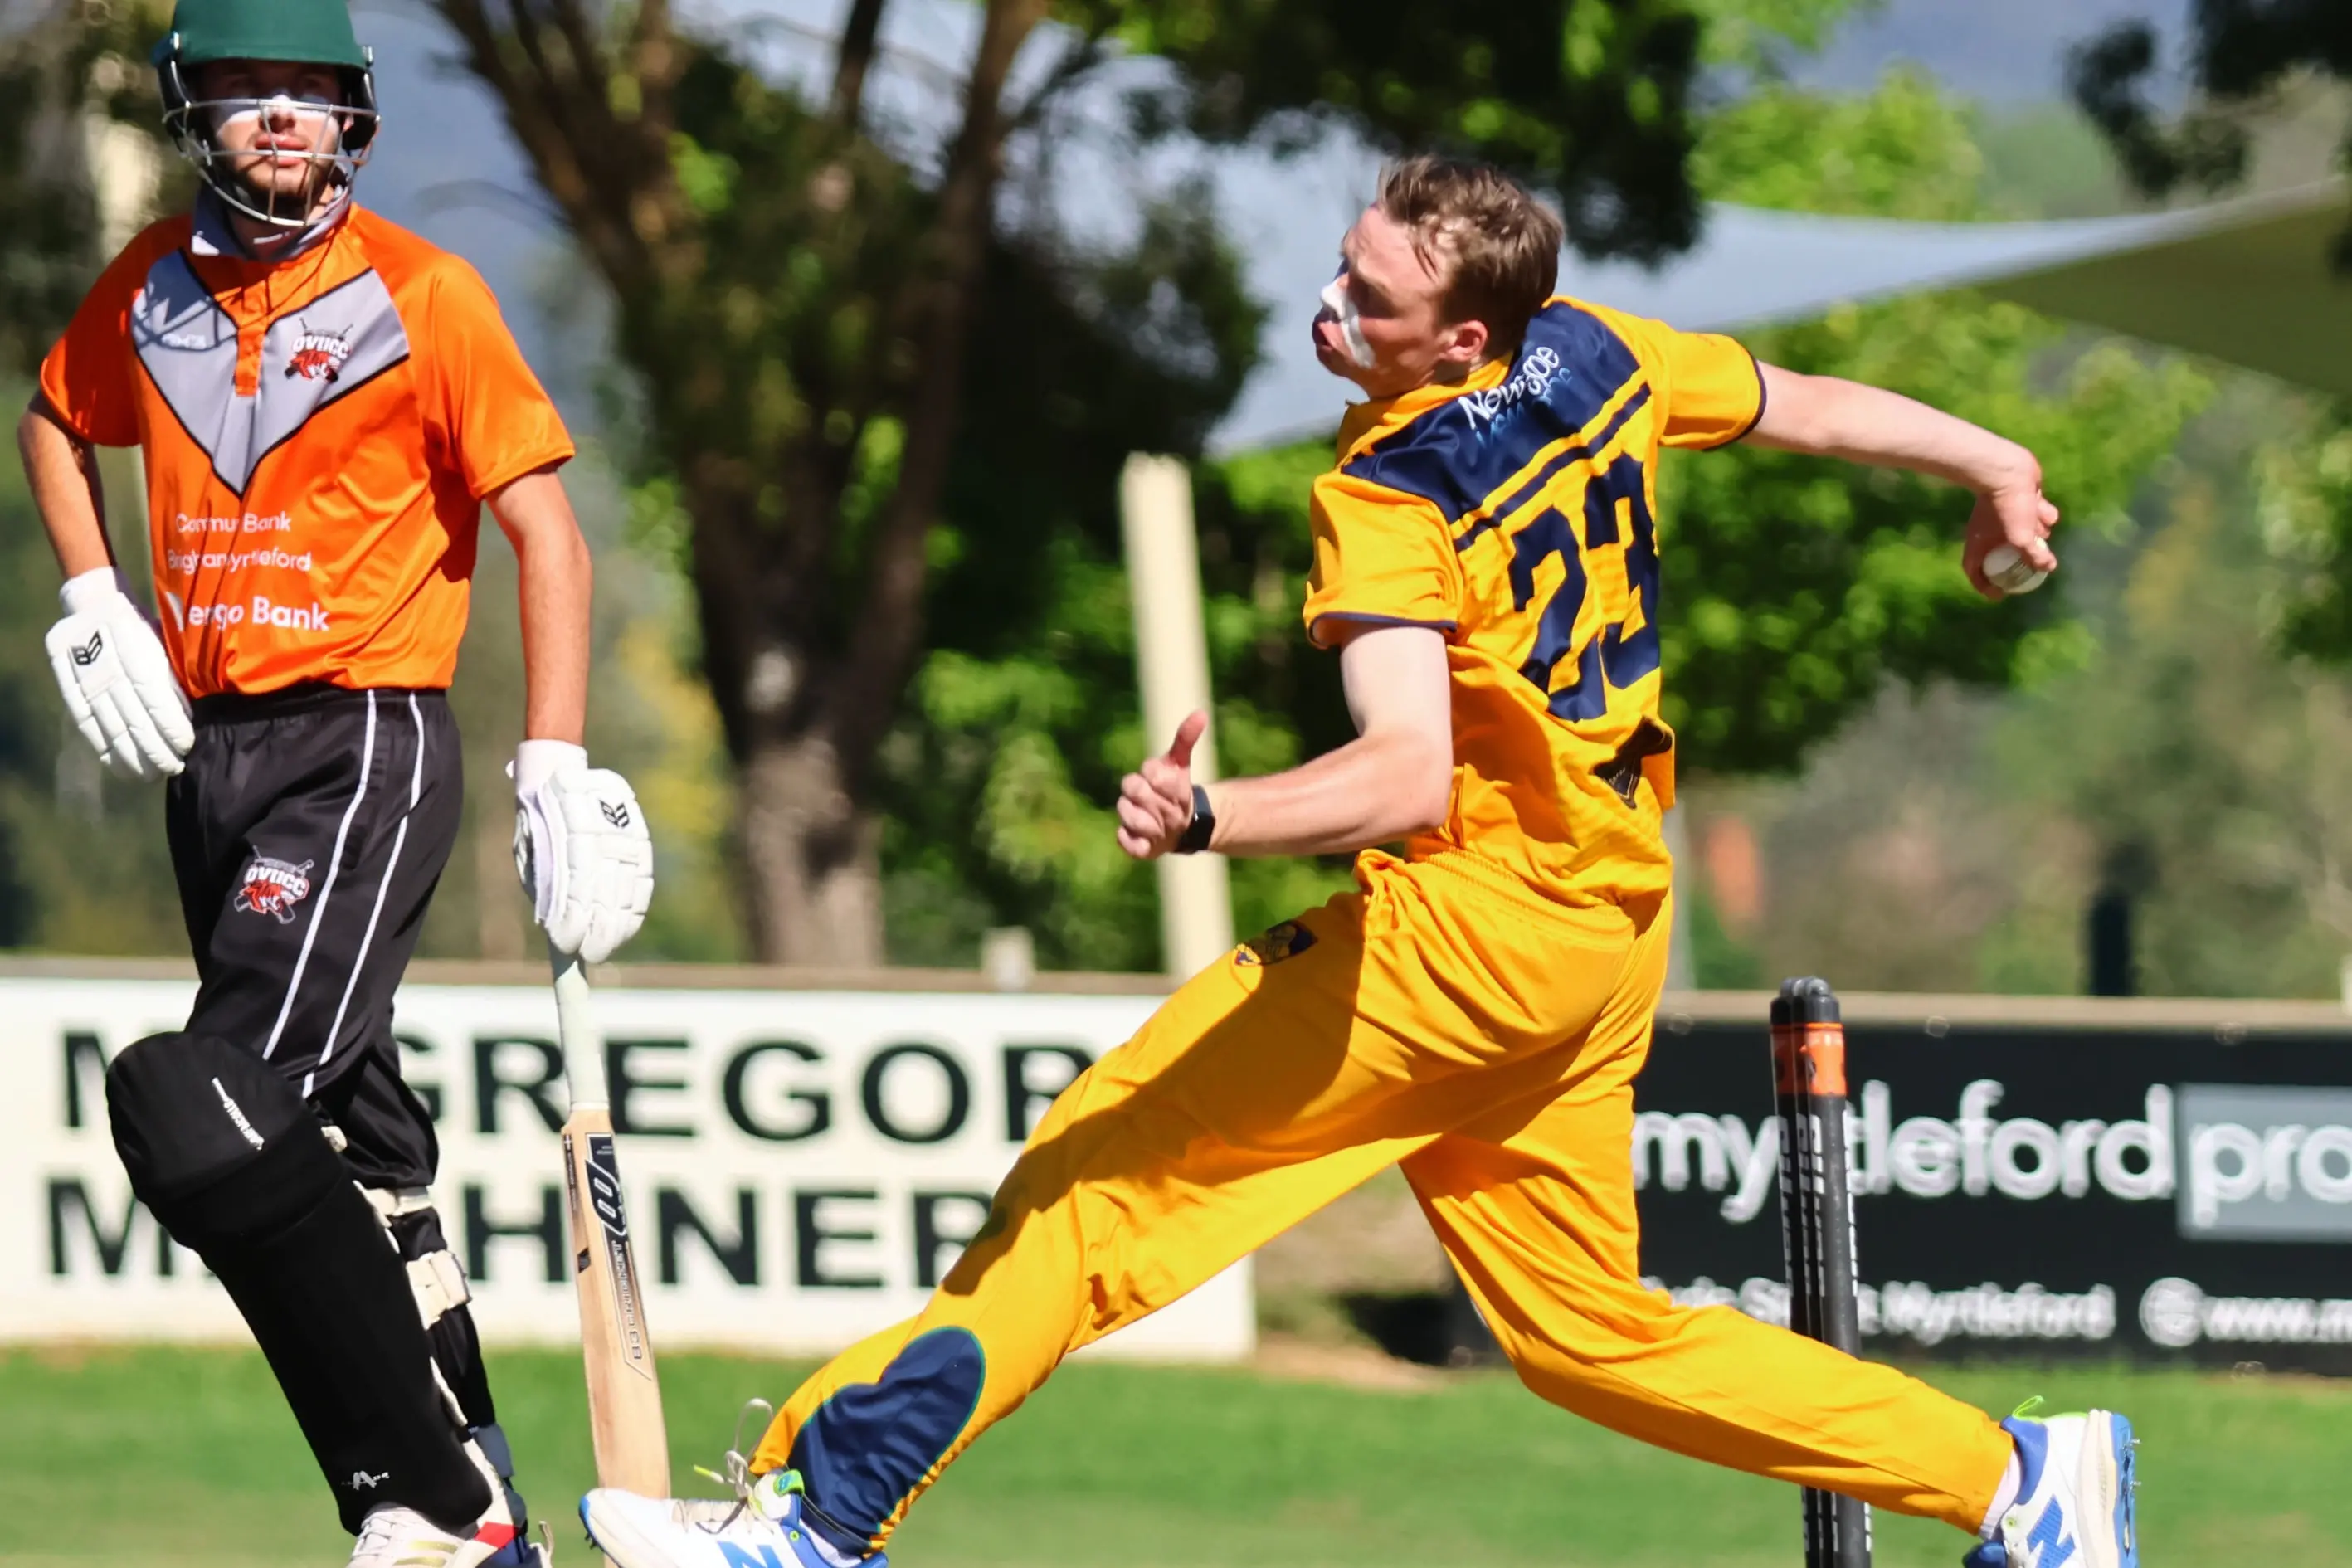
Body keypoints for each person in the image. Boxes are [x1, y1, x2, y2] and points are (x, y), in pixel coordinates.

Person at [581, 156, 2130, 1568]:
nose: (1329, 304)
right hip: (1601, 920)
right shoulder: (1594, 353)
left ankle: (814, 1518)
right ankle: (2017, 1478)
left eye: (1369, 298)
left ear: (1462, 341)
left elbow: (1403, 773)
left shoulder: (1387, 495)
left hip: (1468, 940)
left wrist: (1210, 816)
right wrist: (1995, 460)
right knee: (1588, 1335)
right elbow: (1804, 401)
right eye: (1342, 263)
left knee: (1099, 1182)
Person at [17, 0, 655, 1564]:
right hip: (207, 755)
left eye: (309, 93)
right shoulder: (147, 287)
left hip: (363, 737)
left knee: (204, 1106)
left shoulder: (425, 295)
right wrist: (93, 596)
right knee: (355, 1157)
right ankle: (477, 1480)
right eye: (249, 94)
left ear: (355, 114)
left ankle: (429, 1502)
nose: (283, 119)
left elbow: (547, 534)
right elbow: (52, 418)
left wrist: (556, 756)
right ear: (193, 115)